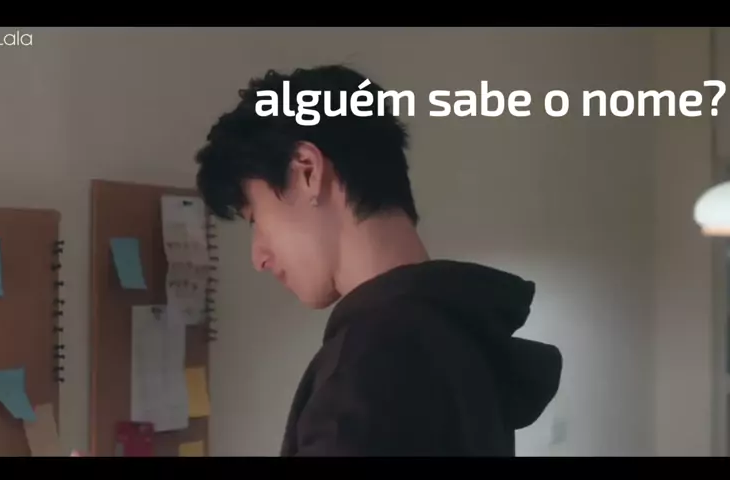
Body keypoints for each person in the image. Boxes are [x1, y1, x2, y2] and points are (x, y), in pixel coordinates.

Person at [194, 65, 563, 456]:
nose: (258, 257)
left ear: (307, 171)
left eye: (255, 218)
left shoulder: (366, 370)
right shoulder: (459, 334)